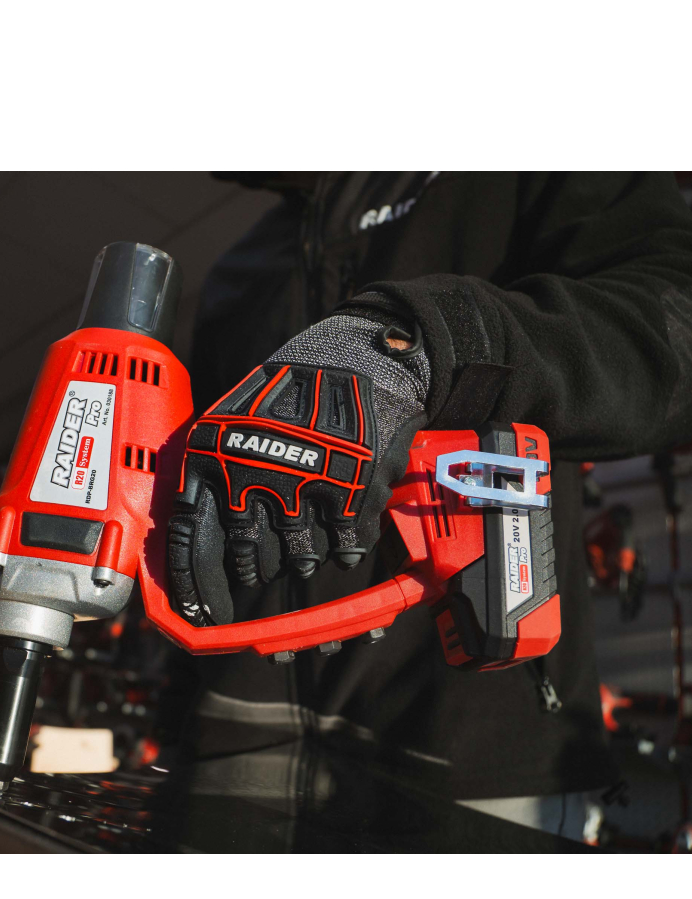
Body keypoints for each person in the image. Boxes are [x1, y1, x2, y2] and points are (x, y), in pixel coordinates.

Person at [165, 172, 692, 838]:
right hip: (235, 740)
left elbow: (675, 319)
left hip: (476, 752)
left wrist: (421, 345)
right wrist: (177, 714)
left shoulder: (519, 166)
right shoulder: (236, 275)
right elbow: (203, 514)